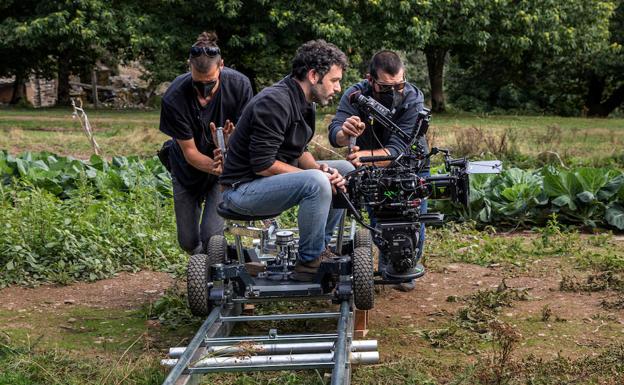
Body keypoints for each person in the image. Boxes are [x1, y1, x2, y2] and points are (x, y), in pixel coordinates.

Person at [219, 40, 353, 282]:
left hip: (267, 185)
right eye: (334, 80)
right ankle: (309, 262)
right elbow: (263, 165)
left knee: (345, 169)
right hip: (241, 191)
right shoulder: (275, 102)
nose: (338, 88)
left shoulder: (303, 102)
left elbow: (299, 151)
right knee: (316, 181)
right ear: (314, 76)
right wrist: (317, 176)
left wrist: (322, 168)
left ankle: (321, 248)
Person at [328, 50, 428, 291]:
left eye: (399, 85)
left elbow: (398, 149)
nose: (394, 92)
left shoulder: (413, 98)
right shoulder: (355, 95)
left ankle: (404, 267)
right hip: (372, 172)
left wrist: (361, 157)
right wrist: (346, 132)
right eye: (385, 87)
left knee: (413, 222)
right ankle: (386, 262)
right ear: (370, 79)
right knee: (378, 221)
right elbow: (334, 134)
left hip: (411, 168)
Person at [159, 31, 253, 255]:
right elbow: (190, 152)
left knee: (211, 236)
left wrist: (232, 144)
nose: (204, 94)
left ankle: (212, 274)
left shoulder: (240, 86)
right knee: (188, 242)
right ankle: (206, 264)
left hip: (223, 171)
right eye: (197, 84)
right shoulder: (174, 97)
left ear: (221, 66)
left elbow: (248, 135)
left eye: (210, 84)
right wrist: (214, 165)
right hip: (186, 170)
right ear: (188, 67)